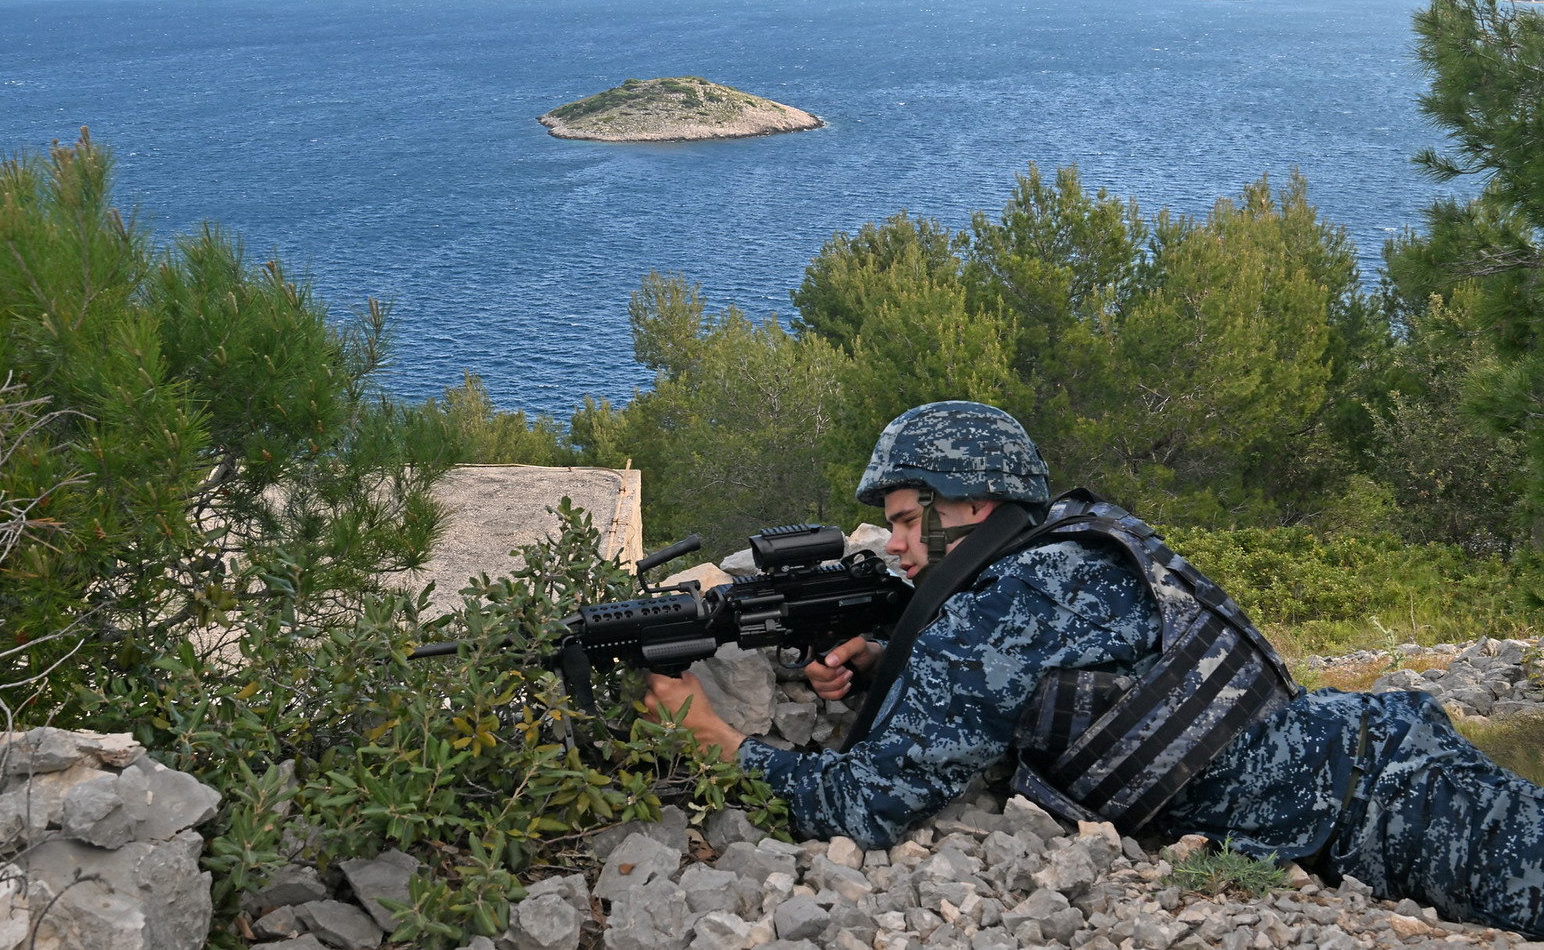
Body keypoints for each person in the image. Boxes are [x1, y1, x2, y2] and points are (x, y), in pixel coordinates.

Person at [644, 401, 1544, 937]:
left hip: (1379, 814)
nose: (901, 545)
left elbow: (860, 807)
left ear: (977, 508)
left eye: (913, 520)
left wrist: (718, 739)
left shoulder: (993, 615)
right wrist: (892, 660)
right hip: (1376, 752)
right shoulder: (1069, 546)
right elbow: (1058, 678)